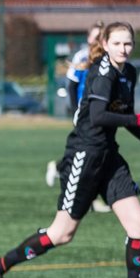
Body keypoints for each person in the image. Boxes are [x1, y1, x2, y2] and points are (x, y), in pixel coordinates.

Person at [0, 22, 140, 278]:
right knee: (61, 234)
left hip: (109, 158)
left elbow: (124, 118)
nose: (124, 49)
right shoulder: (101, 73)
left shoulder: (129, 74)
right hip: (83, 157)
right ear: (107, 44)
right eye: (118, 44)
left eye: (129, 44)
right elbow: (99, 116)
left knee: (139, 225)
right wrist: (139, 120)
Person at [47, 22, 112, 218]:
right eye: (95, 36)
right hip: (85, 114)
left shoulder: (109, 57)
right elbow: (72, 86)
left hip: (100, 113)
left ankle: (60, 168)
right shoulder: (83, 56)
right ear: (89, 38)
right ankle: (86, 197)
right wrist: (76, 110)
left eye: (101, 36)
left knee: (92, 154)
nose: (97, 40)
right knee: (88, 154)